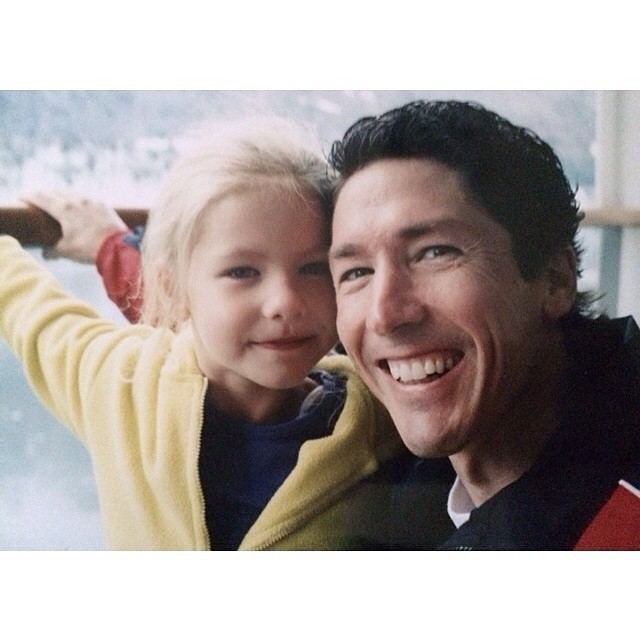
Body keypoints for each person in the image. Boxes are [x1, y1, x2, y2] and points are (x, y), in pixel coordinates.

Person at [1, 118, 428, 551]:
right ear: (171, 287)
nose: (285, 302)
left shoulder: (391, 413)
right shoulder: (121, 384)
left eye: (314, 268)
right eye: (242, 271)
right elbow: (28, 306)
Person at [326, 100, 640, 550]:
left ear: (554, 280)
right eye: (356, 272)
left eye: (434, 252)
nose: (385, 314)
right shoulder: (366, 489)